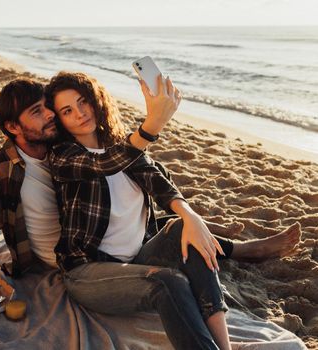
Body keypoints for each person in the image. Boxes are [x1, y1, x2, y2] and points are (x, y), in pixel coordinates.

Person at [44, 71, 301, 349]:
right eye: (68, 111)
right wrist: (152, 124)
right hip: (88, 273)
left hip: (137, 258)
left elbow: (159, 183)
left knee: (185, 230)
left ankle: (223, 346)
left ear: (96, 100)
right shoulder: (63, 157)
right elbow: (105, 164)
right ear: (60, 120)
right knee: (169, 282)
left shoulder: (121, 146)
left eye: (83, 102)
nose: (80, 113)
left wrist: (191, 218)